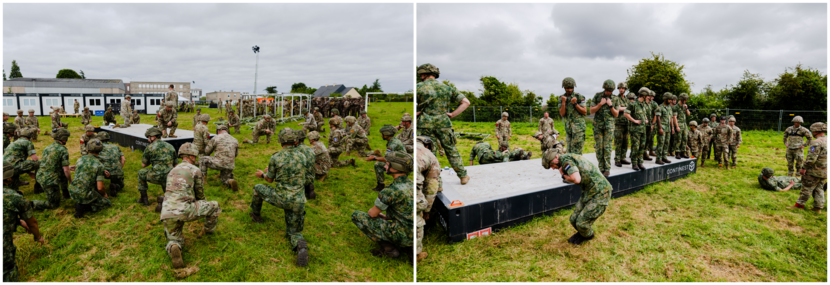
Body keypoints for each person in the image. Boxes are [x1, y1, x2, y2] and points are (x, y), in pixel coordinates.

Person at [249, 128, 310, 267]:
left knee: (258, 188)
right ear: (295, 141)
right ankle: (299, 243)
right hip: (298, 201)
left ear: (281, 141)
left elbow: (269, 180)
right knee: (293, 231)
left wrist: (262, 175)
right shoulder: (302, 156)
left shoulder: (276, 157)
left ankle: (256, 215)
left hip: (281, 198)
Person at [161, 143, 222, 269]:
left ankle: (174, 246)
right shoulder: (195, 170)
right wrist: (203, 206)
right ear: (192, 156)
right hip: (184, 210)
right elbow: (200, 196)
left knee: (174, 238)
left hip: (167, 212)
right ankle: (209, 230)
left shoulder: (172, 170)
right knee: (215, 206)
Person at [351, 151, 416, 264]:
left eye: (387, 164)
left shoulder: (390, 191)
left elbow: (372, 214)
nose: (385, 166)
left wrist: (380, 216)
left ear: (395, 168)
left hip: (401, 234)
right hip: (416, 233)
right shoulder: (414, 185)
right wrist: (388, 217)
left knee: (357, 215)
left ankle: (389, 248)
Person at [415, 63, 471, 184]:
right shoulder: (447, 88)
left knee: (429, 154)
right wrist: (452, 114)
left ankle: (436, 183)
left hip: (425, 124)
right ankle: (463, 176)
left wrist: (416, 114)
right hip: (444, 124)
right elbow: (466, 102)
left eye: (421, 75)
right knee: (451, 150)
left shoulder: (418, 87)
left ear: (424, 74)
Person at [542, 148, 611, 245]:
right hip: (588, 191)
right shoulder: (566, 159)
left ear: (556, 157)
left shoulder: (566, 161)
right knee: (573, 219)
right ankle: (583, 233)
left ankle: (589, 235)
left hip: (600, 192)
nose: (552, 168)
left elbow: (576, 179)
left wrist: (562, 174)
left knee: (581, 223)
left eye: (551, 165)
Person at [1, 160, 45, 284]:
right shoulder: (16, 198)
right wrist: (38, 237)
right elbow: (32, 223)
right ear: (9, 177)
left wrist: (18, 221)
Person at [789, 123, 828, 213]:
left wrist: (804, 167)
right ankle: (818, 208)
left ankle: (799, 206)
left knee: (806, 188)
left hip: (814, 171)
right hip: (825, 171)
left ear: (816, 131)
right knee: (819, 188)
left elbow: (811, 158)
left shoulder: (816, 142)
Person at [69, 139, 112, 218]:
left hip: (73, 190)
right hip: (85, 193)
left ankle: (80, 203)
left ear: (87, 149)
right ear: (101, 150)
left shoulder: (80, 159)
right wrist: (104, 194)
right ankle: (84, 206)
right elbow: (100, 188)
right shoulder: (99, 165)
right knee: (107, 203)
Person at [137, 127, 177, 211]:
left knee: (141, 173)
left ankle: (144, 199)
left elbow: (143, 165)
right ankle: (166, 200)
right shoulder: (170, 146)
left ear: (153, 137)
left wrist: (152, 161)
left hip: (155, 175)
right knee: (166, 182)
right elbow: (176, 164)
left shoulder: (149, 147)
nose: (148, 140)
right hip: (169, 176)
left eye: (148, 137)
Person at [413, 136, 439, 263]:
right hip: (414, 185)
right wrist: (427, 210)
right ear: (427, 145)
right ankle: (416, 253)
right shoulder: (429, 155)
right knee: (417, 213)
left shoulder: (404, 146)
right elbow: (431, 187)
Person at [32, 128, 71, 210]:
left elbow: (50, 163)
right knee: (54, 205)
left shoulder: (48, 147)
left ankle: (65, 193)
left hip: (41, 176)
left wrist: (69, 167)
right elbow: (66, 170)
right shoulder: (63, 150)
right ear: (63, 138)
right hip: (50, 180)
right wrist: (71, 181)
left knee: (63, 174)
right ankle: (30, 204)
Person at [590, 80, 620, 177]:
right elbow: (591, 110)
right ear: (604, 88)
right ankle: (601, 168)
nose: (608, 92)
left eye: (610, 91)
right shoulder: (597, 96)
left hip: (609, 126)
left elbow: (616, 114)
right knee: (599, 147)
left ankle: (607, 169)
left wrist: (610, 105)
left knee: (607, 148)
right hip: (598, 126)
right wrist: (600, 104)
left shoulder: (615, 99)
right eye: (607, 90)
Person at [201, 124, 239, 191]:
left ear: (218, 131)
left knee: (202, 159)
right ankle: (229, 181)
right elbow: (236, 154)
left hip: (218, 163)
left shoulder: (216, 138)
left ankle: (203, 180)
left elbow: (207, 152)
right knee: (224, 180)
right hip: (229, 165)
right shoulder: (235, 139)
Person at [368, 125, 406, 192]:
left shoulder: (392, 144)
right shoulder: (393, 140)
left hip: (402, 165)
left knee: (378, 165)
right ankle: (381, 186)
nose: (381, 135)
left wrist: (374, 158)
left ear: (386, 134)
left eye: (382, 134)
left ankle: (381, 187)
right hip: (400, 162)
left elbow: (387, 159)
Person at [559, 77, 588, 156]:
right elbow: (562, 114)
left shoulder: (579, 97)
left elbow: (585, 112)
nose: (569, 90)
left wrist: (575, 104)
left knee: (577, 153)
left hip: (579, 129)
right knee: (569, 152)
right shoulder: (561, 98)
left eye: (571, 88)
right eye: (567, 88)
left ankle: (578, 168)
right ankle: (572, 167)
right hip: (569, 129)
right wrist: (564, 102)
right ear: (564, 87)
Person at [623, 89, 649, 171]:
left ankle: (640, 162)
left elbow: (644, 114)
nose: (648, 97)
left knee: (642, 146)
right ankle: (634, 163)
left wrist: (646, 119)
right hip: (635, 130)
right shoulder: (633, 104)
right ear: (644, 95)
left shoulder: (643, 104)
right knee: (635, 147)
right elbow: (626, 113)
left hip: (643, 129)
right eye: (647, 96)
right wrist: (634, 120)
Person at [96, 132, 125, 197]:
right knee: (121, 185)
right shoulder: (116, 147)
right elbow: (123, 159)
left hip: (104, 173)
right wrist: (119, 168)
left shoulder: (97, 148)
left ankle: (97, 187)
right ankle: (115, 186)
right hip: (117, 172)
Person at [294, 130, 318, 199]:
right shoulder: (310, 149)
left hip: (302, 179)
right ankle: (309, 186)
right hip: (311, 177)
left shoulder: (296, 151)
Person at [652, 93, 673, 165]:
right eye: (669, 99)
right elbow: (658, 118)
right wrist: (660, 128)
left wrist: (672, 127)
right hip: (662, 128)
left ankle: (664, 157)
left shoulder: (670, 107)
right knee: (661, 143)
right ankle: (658, 159)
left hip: (668, 128)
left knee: (666, 143)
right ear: (665, 99)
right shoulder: (660, 107)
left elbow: (670, 118)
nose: (671, 101)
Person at [613, 82, 630, 166]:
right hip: (618, 123)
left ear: (625, 89)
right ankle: (617, 159)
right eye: (620, 88)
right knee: (618, 142)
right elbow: (617, 108)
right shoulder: (616, 98)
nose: (621, 89)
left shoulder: (627, 99)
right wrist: (627, 108)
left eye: (622, 88)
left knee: (625, 142)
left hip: (627, 123)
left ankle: (623, 158)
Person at [672, 94, 691, 159]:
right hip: (679, 124)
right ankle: (677, 153)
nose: (686, 101)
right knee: (678, 139)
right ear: (682, 99)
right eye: (685, 100)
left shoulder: (684, 106)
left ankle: (683, 152)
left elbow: (688, 114)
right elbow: (674, 117)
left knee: (685, 139)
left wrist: (686, 108)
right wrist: (677, 126)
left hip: (684, 125)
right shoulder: (676, 107)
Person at [645, 90, 658, 160]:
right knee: (644, 139)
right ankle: (644, 153)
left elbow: (656, 115)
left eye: (653, 96)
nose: (652, 97)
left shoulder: (654, 104)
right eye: (651, 96)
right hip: (644, 123)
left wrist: (652, 124)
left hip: (651, 123)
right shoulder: (645, 103)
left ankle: (650, 151)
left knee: (651, 138)